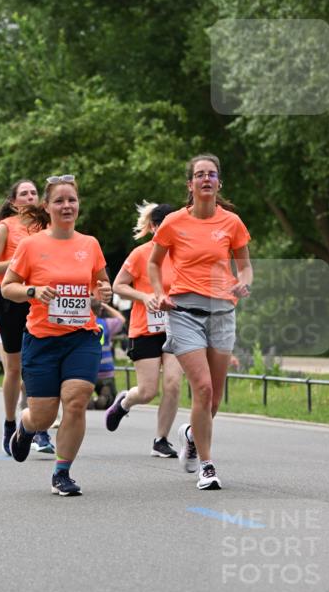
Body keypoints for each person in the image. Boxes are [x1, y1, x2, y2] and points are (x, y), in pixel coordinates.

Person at [1, 174, 112, 496]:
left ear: (78, 205)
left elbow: (99, 283)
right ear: (47, 207)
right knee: (43, 414)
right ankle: (26, 427)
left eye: (72, 200)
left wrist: (101, 291)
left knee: (76, 402)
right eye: (60, 201)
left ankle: (62, 472)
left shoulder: (89, 244)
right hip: (42, 338)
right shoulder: (31, 245)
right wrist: (33, 290)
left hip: (82, 335)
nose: (67, 206)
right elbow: (8, 287)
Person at [148, 155, 252, 490]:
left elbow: (245, 265)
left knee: (214, 401)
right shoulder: (174, 222)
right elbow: (153, 263)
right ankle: (207, 466)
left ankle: (192, 434)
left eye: (211, 174)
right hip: (184, 312)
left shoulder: (232, 223)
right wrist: (159, 292)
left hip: (222, 312)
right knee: (202, 389)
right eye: (199, 174)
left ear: (219, 183)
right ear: (190, 184)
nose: (205, 179)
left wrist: (243, 281)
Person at [105, 202, 184, 457]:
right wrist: (144, 296)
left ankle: (160, 440)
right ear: (153, 227)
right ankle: (125, 401)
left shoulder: (184, 255)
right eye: (163, 227)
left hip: (176, 327)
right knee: (148, 391)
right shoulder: (141, 254)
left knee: (173, 384)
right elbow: (118, 285)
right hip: (145, 329)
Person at [0, 180, 55, 456]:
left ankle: (40, 428)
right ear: (14, 202)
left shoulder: (47, 227)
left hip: (39, 301)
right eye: (24, 193)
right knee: (15, 369)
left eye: (34, 193)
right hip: (12, 302)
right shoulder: (6, 227)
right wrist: (19, 261)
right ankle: (10, 424)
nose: (29, 196)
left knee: (35, 367)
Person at [89, 298, 125, 409]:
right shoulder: (106, 324)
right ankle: (105, 395)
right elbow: (121, 319)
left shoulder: (81, 324)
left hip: (88, 370)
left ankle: (87, 398)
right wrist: (106, 306)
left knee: (80, 394)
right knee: (110, 401)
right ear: (99, 310)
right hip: (106, 371)